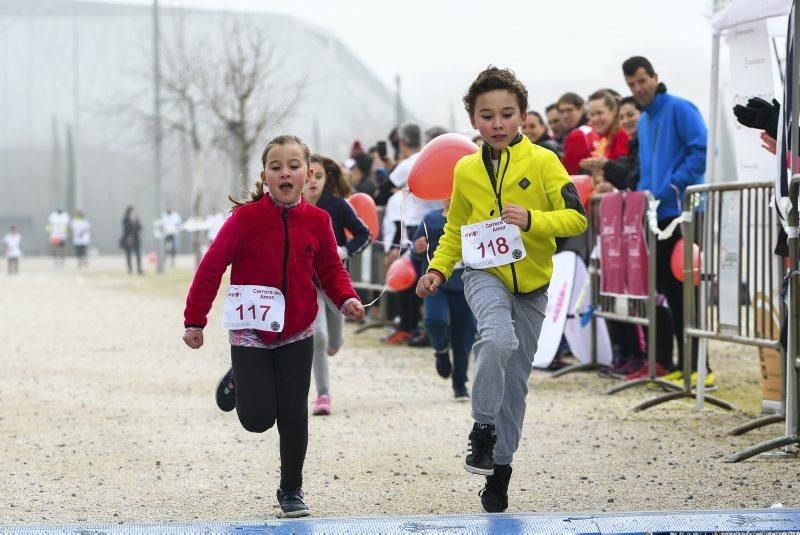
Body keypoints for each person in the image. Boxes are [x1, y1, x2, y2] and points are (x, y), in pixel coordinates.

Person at [417, 67, 587, 513]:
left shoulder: (545, 162)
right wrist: (437, 269)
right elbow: (456, 227)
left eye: (506, 114)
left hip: (531, 286)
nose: (497, 123)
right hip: (483, 273)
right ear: (473, 120)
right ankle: (481, 428)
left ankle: (500, 470)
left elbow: (577, 218)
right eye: (487, 115)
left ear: (522, 116)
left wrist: (533, 220)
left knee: (515, 383)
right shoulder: (465, 169)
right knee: (495, 337)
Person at [182, 134, 365, 518]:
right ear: (264, 176)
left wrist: (346, 298)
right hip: (250, 330)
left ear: (309, 173)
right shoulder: (244, 220)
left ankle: (291, 489)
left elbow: (330, 267)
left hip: (298, 329)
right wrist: (194, 320)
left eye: (293, 166)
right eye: (276, 167)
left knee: (294, 411)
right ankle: (241, 377)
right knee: (257, 420)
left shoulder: (318, 220)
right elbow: (211, 267)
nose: (285, 173)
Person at [622, 55, 709, 386]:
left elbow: (700, 151)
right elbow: (645, 169)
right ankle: (680, 362)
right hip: (656, 218)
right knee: (668, 293)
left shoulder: (680, 108)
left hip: (683, 215)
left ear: (655, 76)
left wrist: (670, 187)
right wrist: (646, 196)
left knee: (688, 291)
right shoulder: (644, 121)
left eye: (642, 80)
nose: (639, 88)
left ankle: (702, 366)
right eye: (632, 84)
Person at [304, 154, 370, 415]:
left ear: (326, 178)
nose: (312, 182)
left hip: (335, 283)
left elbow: (365, 234)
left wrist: (344, 251)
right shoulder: (293, 206)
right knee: (317, 337)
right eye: (308, 176)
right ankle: (323, 395)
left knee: (335, 341)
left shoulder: (339, 206)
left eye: (318, 176)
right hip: (307, 285)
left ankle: (334, 344)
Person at [412, 199, 476, 401]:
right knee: (434, 320)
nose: (451, 195)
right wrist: (417, 249)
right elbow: (415, 251)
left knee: (463, 335)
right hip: (435, 282)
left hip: (464, 283)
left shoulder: (473, 218)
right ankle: (440, 349)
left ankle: (460, 384)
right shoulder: (430, 219)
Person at [577, 90, 631, 192]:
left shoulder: (621, 134)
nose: (595, 119)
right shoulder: (604, 139)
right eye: (592, 115)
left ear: (614, 111)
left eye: (599, 113)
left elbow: (624, 173)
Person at [558, 92, 599, 175]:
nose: (565, 115)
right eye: (562, 111)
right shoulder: (594, 128)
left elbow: (567, 171)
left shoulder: (578, 134)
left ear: (581, 108)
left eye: (569, 110)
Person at [120, 206, 143, 275]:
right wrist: (131, 222)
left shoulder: (136, 219)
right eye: (132, 212)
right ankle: (130, 269)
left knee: (138, 254)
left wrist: (141, 230)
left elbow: (139, 227)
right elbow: (125, 229)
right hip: (128, 239)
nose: (133, 213)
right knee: (128, 255)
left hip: (136, 239)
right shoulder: (125, 219)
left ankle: (139, 269)